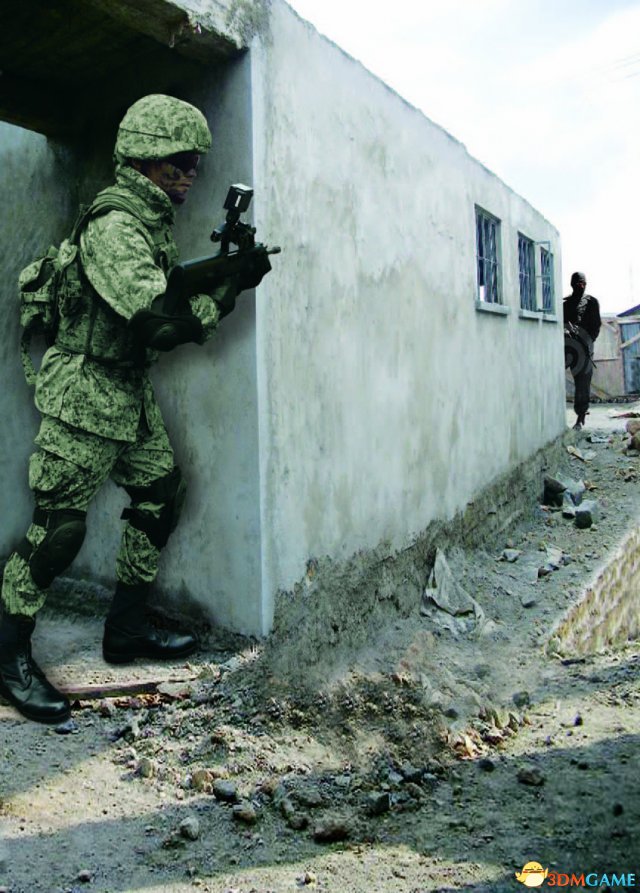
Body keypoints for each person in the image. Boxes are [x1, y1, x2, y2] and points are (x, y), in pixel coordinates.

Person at [0, 94, 271, 725]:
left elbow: (165, 287)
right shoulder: (117, 226)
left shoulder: (150, 222)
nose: (188, 175)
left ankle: (125, 629)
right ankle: (8, 655)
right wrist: (226, 294)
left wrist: (224, 270)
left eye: (194, 164)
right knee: (57, 533)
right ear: (144, 159)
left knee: (161, 496)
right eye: (177, 162)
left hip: (126, 391)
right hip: (83, 393)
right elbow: (158, 323)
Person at [563, 271, 601, 430]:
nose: (581, 286)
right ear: (572, 284)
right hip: (567, 346)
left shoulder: (591, 302)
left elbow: (596, 326)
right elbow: (562, 323)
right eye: (578, 283)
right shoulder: (565, 304)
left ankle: (580, 417)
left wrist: (587, 340)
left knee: (582, 383)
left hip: (584, 348)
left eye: (583, 283)